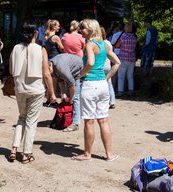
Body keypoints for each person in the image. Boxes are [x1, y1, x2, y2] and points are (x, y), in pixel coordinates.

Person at [72, 19, 120, 162]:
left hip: (90, 85)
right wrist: (106, 78)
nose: (81, 31)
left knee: (89, 121)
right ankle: (109, 154)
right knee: (104, 120)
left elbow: (90, 62)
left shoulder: (90, 44)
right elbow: (117, 63)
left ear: (91, 29)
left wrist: (81, 74)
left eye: (84, 28)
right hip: (102, 85)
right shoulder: (105, 44)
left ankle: (87, 154)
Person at [8, 23, 56, 164]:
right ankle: (26, 153)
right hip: (36, 89)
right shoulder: (41, 49)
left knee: (22, 118)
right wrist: (52, 93)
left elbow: (11, 70)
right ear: (36, 33)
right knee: (31, 122)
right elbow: (46, 74)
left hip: (20, 88)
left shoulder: (16, 48)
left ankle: (14, 149)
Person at [48, 53, 83, 132]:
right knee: (67, 96)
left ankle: (75, 123)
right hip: (70, 69)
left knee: (75, 97)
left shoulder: (61, 68)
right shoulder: (52, 66)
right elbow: (60, 79)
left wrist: (71, 98)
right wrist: (63, 93)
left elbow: (72, 84)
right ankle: (69, 119)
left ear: (50, 66)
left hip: (78, 69)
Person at [44, 19, 64, 106]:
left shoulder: (46, 36)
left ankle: (48, 100)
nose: (59, 27)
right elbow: (62, 48)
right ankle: (54, 101)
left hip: (49, 59)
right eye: (58, 25)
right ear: (54, 27)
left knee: (51, 81)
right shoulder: (56, 37)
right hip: (56, 59)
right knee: (57, 80)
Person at [115, 22, 138, 97]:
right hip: (132, 58)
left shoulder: (123, 37)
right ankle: (131, 91)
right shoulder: (134, 37)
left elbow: (117, 45)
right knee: (130, 76)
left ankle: (120, 92)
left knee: (121, 76)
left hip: (123, 57)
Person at [101, 26, 116, 109]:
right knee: (109, 84)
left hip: (101, 66)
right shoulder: (108, 43)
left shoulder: (97, 44)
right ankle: (112, 101)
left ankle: (103, 101)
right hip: (108, 65)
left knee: (100, 84)